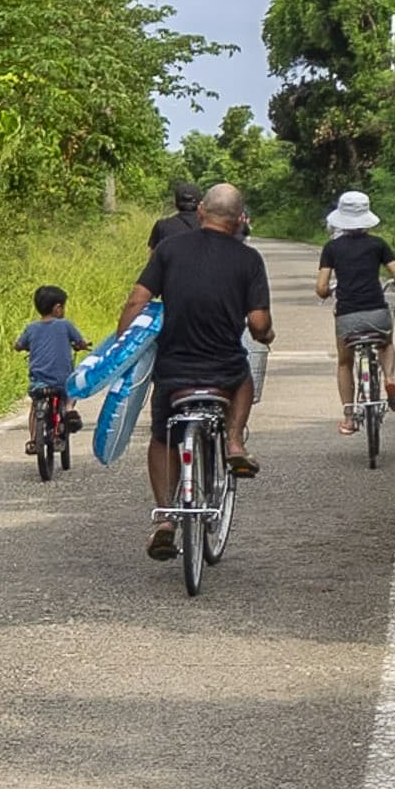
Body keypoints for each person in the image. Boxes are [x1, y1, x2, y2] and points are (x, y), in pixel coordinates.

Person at [115, 183, 273, 560]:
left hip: (174, 370)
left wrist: (123, 347)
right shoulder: (249, 260)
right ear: (239, 221)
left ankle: (166, 519)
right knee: (244, 379)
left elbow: (138, 299)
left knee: (161, 437)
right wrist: (266, 333)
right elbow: (257, 323)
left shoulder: (169, 249)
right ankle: (234, 442)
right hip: (223, 367)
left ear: (201, 211)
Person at [314, 190, 395, 435]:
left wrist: (326, 293)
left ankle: (348, 417)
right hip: (376, 312)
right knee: (386, 343)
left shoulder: (332, 248)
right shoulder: (378, 244)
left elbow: (321, 287)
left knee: (345, 362)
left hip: (347, 315)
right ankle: (389, 378)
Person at [16, 285, 89, 455]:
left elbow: (19, 345)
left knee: (35, 407)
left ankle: (34, 440)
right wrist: (82, 345)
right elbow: (80, 342)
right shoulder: (65, 325)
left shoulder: (31, 328)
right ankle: (69, 410)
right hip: (62, 381)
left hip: (39, 383)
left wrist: (21, 347)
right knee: (73, 390)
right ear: (57, 308)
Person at [147, 181, 202, 250]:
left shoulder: (162, 226)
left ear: (175, 203)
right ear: (200, 203)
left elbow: (152, 257)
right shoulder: (211, 226)